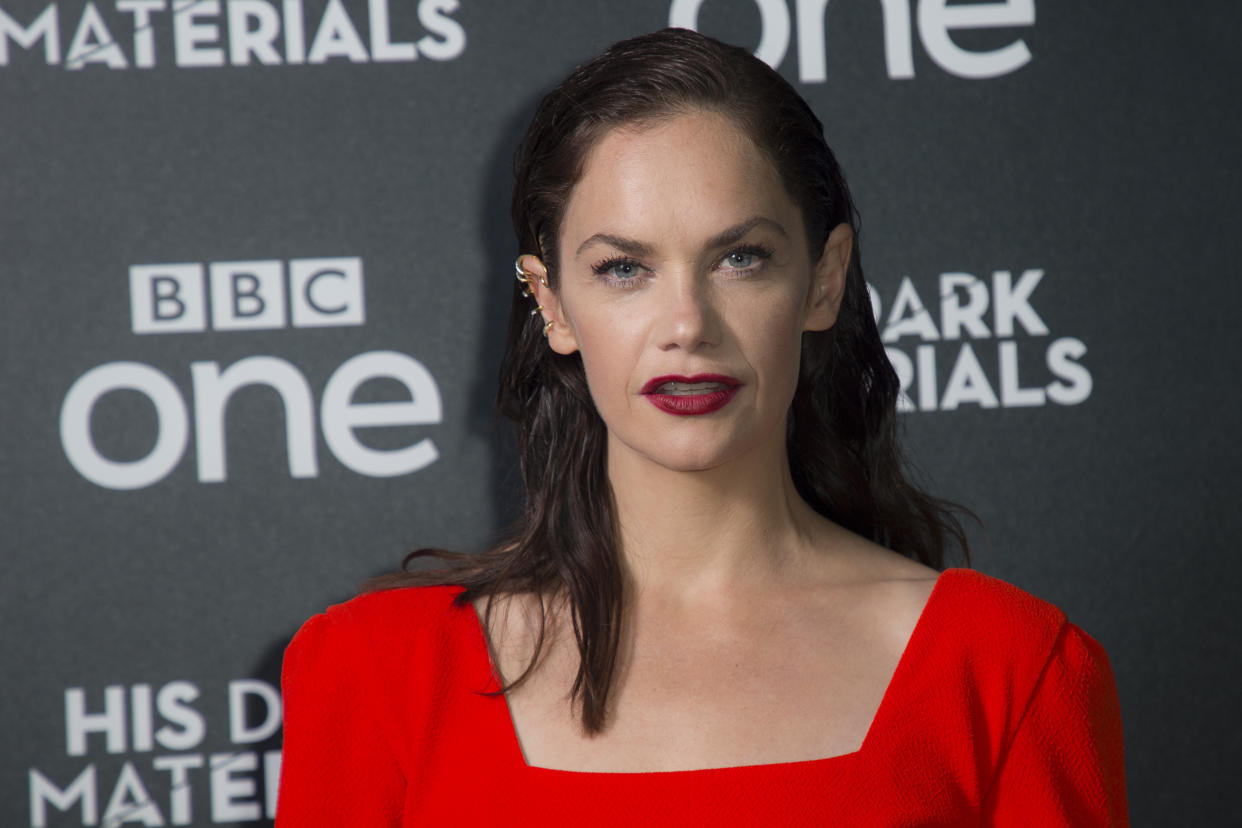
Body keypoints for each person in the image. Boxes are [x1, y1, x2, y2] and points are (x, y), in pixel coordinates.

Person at [276, 28, 1128, 826]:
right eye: (623, 269)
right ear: (552, 304)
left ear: (824, 281)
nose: (687, 323)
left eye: (739, 258)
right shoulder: (371, 676)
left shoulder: (1010, 668)